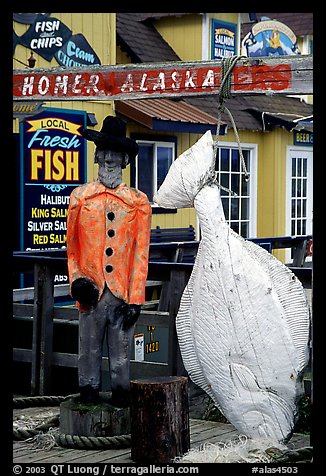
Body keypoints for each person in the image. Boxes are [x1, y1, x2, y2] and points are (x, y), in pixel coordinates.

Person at [66, 116, 152, 406]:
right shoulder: (80, 198)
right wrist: (77, 280)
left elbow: (141, 254)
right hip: (91, 291)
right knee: (88, 348)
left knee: (120, 350)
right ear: (97, 156)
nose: (111, 160)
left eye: (117, 155)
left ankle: (121, 397)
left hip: (120, 293)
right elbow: (72, 248)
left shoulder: (138, 202)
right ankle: (87, 395)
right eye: (106, 153)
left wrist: (136, 299)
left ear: (125, 160)